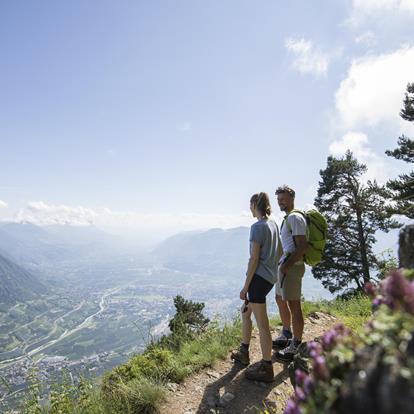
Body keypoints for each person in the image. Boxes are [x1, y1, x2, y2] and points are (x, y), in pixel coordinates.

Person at [231, 192, 282, 382]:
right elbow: (280, 251)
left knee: (262, 324)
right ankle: (244, 352)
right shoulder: (273, 225)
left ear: (254, 205)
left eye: (250, 205)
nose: (249, 209)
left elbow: (254, 258)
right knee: (246, 313)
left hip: (258, 281)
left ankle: (267, 367)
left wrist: (245, 287)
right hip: (269, 278)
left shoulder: (257, 227)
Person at [273, 185, 308, 361]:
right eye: (278, 199)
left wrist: (287, 266)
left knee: (294, 306)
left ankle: (296, 344)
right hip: (286, 266)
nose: (280, 201)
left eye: (283, 198)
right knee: (279, 299)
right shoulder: (288, 218)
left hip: (292, 268)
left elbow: (302, 246)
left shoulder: (295, 218)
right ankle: (286, 333)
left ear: (292, 198)